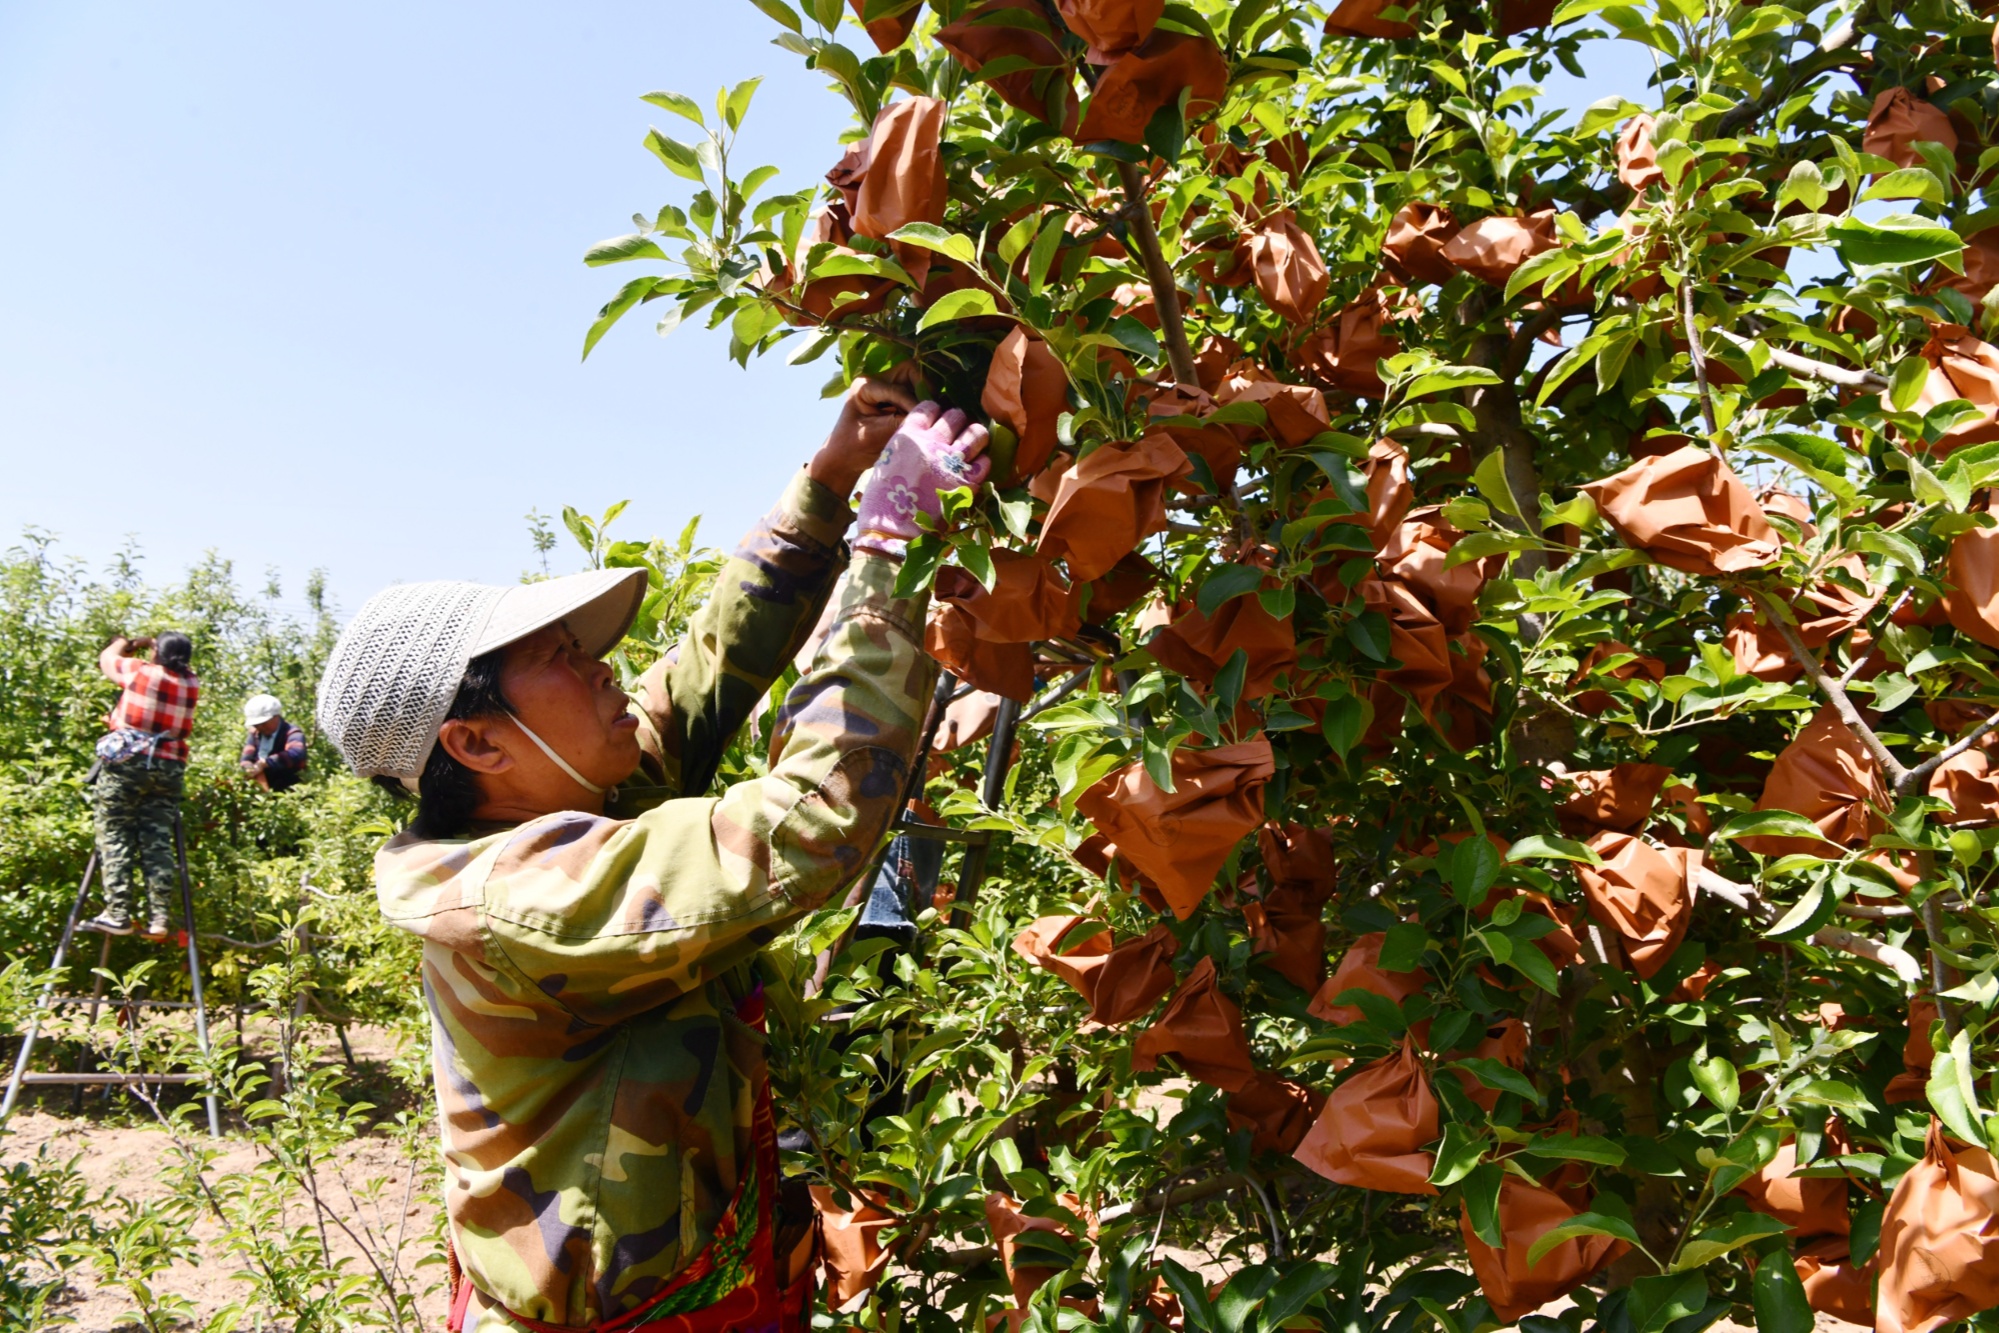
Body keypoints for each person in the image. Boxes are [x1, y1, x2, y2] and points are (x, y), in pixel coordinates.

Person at [314, 384, 988, 1333]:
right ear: (476, 745)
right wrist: (885, 556)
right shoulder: (530, 894)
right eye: (556, 655)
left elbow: (705, 670)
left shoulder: (564, 792)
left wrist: (826, 487)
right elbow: (806, 823)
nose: (603, 667)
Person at [87, 630, 201, 940]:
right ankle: (159, 918)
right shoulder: (191, 685)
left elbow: (107, 660)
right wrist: (158, 648)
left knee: (114, 830)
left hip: (130, 763)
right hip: (170, 768)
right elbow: (178, 668)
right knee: (157, 839)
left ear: (156, 654)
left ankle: (118, 913)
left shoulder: (141, 671)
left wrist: (128, 642)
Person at [239, 694, 308, 791]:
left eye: (263, 723)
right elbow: (245, 759)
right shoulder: (255, 734)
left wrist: (265, 763)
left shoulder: (291, 732)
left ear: (276, 717)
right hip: (260, 791)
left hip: (289, 790)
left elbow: (296, 753)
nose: (260, 727)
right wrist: (250, 769)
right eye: (256, 725)